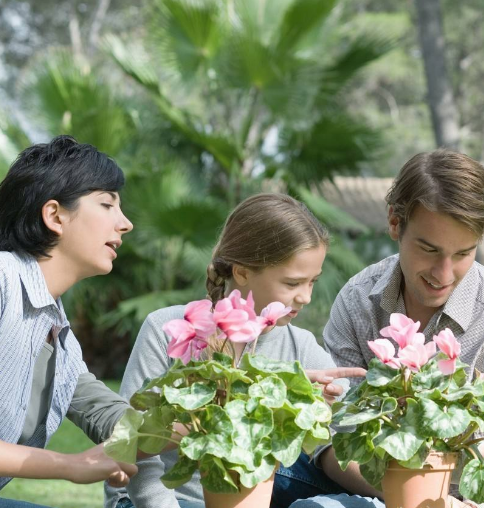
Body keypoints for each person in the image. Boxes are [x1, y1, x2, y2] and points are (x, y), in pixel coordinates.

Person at [288, 150, 484, 508]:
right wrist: (401, 488)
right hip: (361, 487)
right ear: (395, 223)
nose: (443, 274)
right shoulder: (359, 298)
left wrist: (415, 494)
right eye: (429, 249)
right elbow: (331, 441)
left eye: (462, 254)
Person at [105, 193, 366, 508]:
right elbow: (131, 449)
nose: (305, 297)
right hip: (164, 500)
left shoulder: (299, 344)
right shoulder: (170, 328)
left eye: (312, 282)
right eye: (293, 283)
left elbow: (339, 438)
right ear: (241, 272)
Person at [0, 135, 139, 507]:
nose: (125, 224)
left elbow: (109, 416)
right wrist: (68, 465)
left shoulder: (57, 332)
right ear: (55, 215)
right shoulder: (2, 280)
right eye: (107, 204)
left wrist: (221, 403)